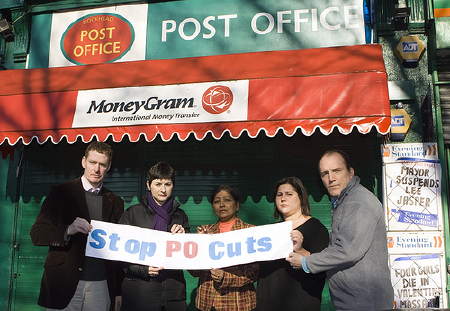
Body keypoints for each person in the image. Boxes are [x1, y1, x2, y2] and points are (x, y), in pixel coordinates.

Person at [286, 149, 394, 311]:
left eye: (336, 171)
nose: (331, 178)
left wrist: (306, 262)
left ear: (351, 172)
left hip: (364, 302)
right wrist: (305, 253)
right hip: (355, 300)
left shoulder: (358, 202)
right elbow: (340, 247)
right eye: (324, 174)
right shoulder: (345, 200)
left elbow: (348, 250)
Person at [30, 141, 124, 311]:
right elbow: (37, 234)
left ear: (108, 166)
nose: (96, 169)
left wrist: (117, 290)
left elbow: (117, 250)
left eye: (102, 164)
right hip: (63, 283)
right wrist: (68, 230)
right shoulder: (60, 193)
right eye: (92, 162)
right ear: (83, 162)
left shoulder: (115, 201)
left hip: (101, 285)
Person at [119, 161, 189, 311]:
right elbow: (118, 254)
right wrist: (143, 270)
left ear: (173, 186)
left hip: (173, 291)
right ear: (148, 185)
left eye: (168, 184)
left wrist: (184, 238)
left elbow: (188, 256)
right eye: (158, 184)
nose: (163, 190)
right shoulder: (132, 213)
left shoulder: (180, 216)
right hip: (140, 291)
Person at [256, 177, 329, 311]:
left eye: (289, 194)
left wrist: (300, 250)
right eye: (279, 194)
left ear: (301, 197)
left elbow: (323, 265)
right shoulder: (269, 231)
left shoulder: (316, 228)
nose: (283, 198)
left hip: (301, 304)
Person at [191, 185, 258, 311]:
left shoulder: (250, 232)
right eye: (217, 201)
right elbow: (194, 272)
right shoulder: (204, 232)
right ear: (213, 207)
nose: (222, 204)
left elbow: (254, 273)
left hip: (238, 303)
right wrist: (199, 246)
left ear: (237, 205)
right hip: (207, 303)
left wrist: (225, 278)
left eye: (227, 200)